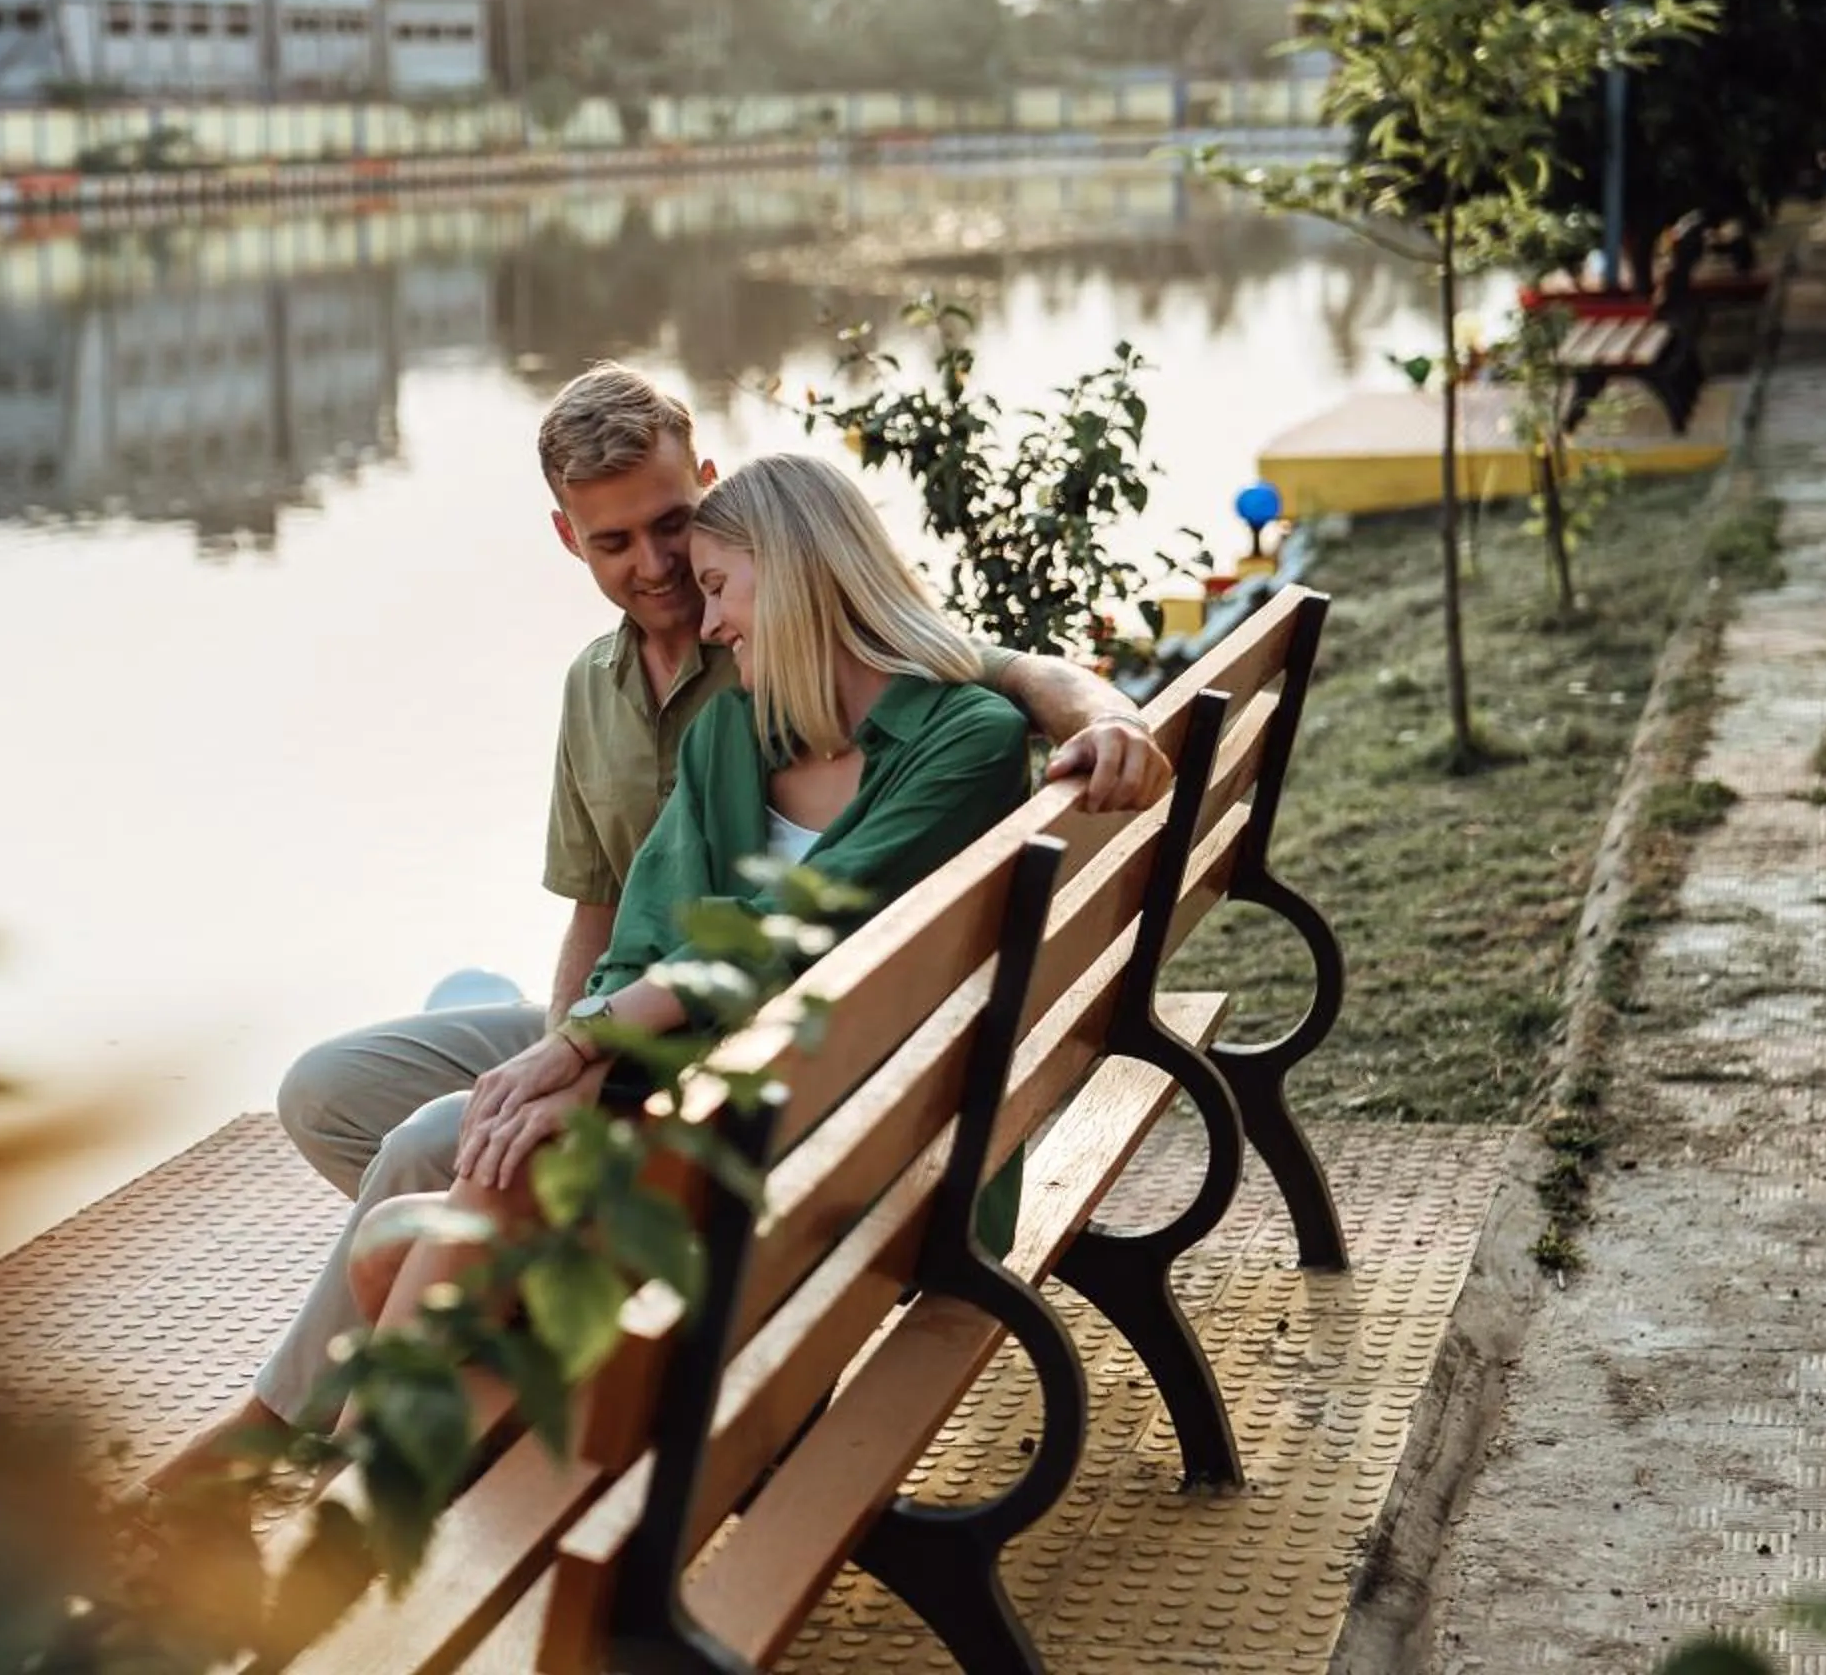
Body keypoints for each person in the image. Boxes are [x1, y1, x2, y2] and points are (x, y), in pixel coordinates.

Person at [151, 365, 1167, 1486]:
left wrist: (1105, 709)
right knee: (365, 1111)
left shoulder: (856, 686)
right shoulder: (669, 705)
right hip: (677, 1040)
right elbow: (612, 911)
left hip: (795, 1093)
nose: (666, 572)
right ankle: (386, 1461)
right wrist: (575, 1051)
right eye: (615, 541)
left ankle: (314, 1459)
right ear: (569, 537)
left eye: (682, 535)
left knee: (435, 1182)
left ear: (736, 519)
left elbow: (827, 892)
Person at [357, 451, 1032, 1340]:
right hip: (735, 1123)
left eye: (718, 587)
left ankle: (363, 1440)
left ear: (792, 574)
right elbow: (643, 934)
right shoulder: (732, 737)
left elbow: (791, 932)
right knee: (403, 1238)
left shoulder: (968, 742)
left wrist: (588, 1053)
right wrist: (587, 1070)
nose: (710, 623)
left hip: (874, 1158)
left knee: (449, 1219)